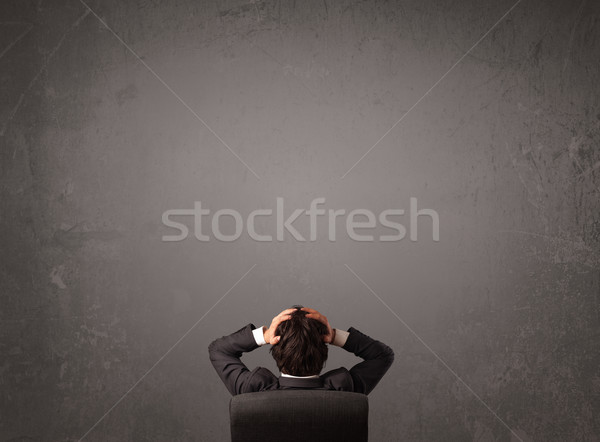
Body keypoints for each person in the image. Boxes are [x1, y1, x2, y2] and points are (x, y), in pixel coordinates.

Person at [208, 305, 394, 395]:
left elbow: (218, 350)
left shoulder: (252, 389)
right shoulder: (344, 389)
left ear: (276, 350)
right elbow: (382, 355)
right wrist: (335, 335)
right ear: (323, 351)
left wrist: (263, 336)